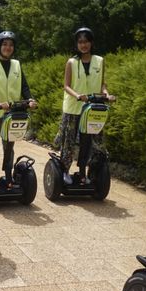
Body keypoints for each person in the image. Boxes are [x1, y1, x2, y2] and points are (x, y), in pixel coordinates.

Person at [55, 27, 114, 184]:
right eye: (80, 42)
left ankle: (83, 172)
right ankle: (65, 171)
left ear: (91, 43)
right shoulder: (71, 62)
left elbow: (102, 84)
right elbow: (66, 86)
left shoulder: (99, 61)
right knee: (69, 141)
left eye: (86, 41)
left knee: (88, 142)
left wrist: (107, 94)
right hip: (73, 107)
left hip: (92, 109)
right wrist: (78, 96)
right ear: (76, 44)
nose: (84, 45)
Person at [0, 30, 37, 172]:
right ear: (0, 46)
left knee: (9, 145)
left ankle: (8, 175)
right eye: (5, 44)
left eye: (11, 45)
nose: (8, 47)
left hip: (12, 111)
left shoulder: (16, 64)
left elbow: (24, 85)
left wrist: (29, 99)